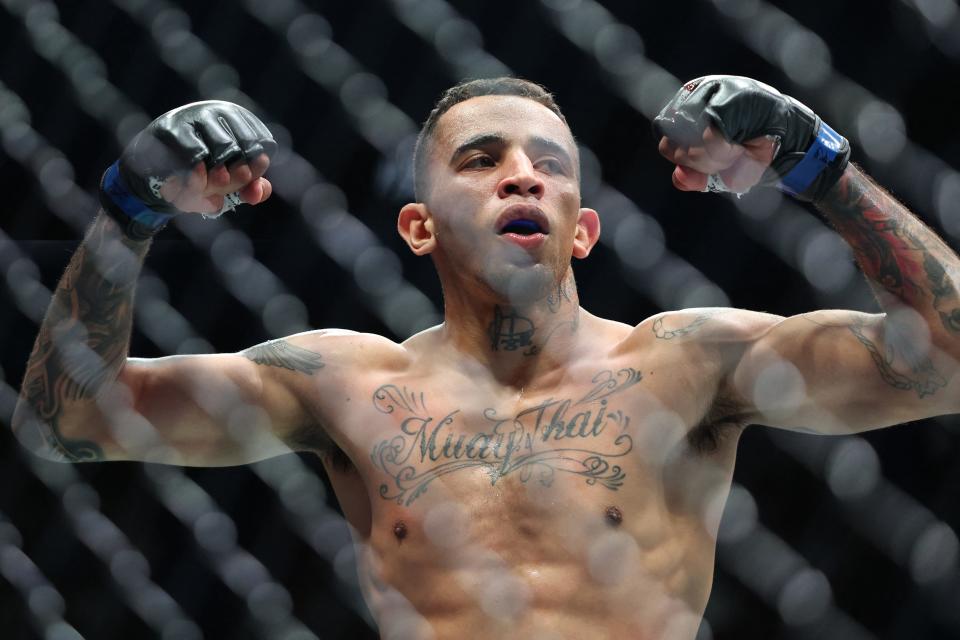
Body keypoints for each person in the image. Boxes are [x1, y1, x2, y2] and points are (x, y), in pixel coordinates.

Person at [12, 75, 960, 639]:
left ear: (582, 229)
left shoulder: (687, 363)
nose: (521, 174)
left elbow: (947, 357)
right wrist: (127, 212)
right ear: (417, 228)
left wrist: (822, 168)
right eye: (481, 160)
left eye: (549, 164)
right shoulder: (345, 382)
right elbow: (66, 422)